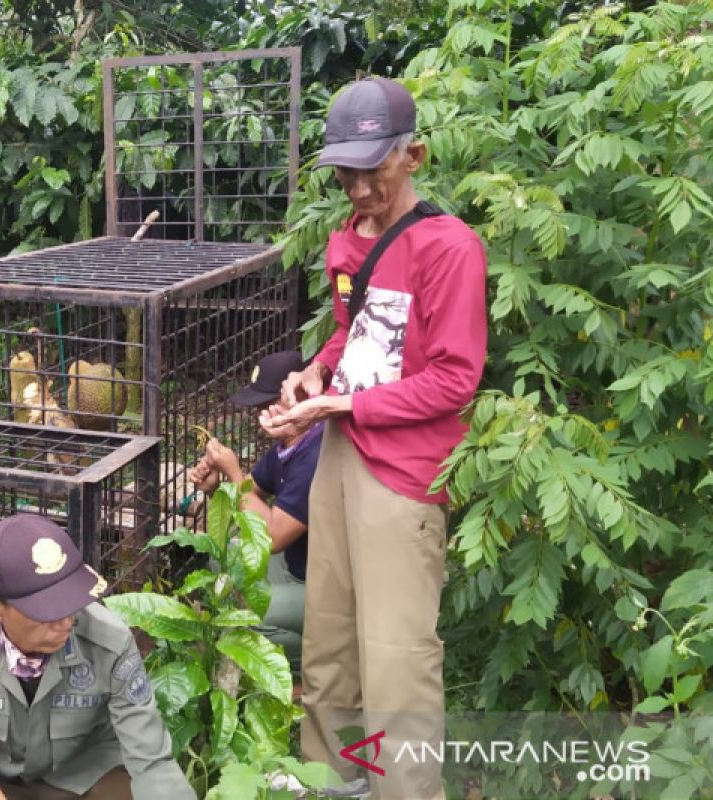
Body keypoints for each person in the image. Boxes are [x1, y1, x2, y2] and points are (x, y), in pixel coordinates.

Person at [259, 77, 488, 799]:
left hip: (403, 473)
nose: (359, 189)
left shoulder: (449, 248)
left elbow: (455, 380)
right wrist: (313, 376)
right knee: (328, 643)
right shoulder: (356, 240)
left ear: (413, 154)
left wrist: (340, 407)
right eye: (347, 173)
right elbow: (353, 338)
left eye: (374, 170)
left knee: (395, 659)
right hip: (340, 455)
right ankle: (331, 779)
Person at [0, 513, 196, 800]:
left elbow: (151, 762)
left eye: (69, 600)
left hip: (83, 780)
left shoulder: (110, 642)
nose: (65, 622)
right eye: (46, 610)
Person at [189, 350, 321, 671]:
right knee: (226, 557)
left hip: (325, 588)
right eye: (258, 408)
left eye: (268, 405)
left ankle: (315, 673)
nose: (262, 416)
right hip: (294, 568)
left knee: (246, 616)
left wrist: (233, 473)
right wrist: (216, 489)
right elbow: (247, 496)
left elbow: (273, 535)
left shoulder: (317, 452)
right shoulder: (287, 445)